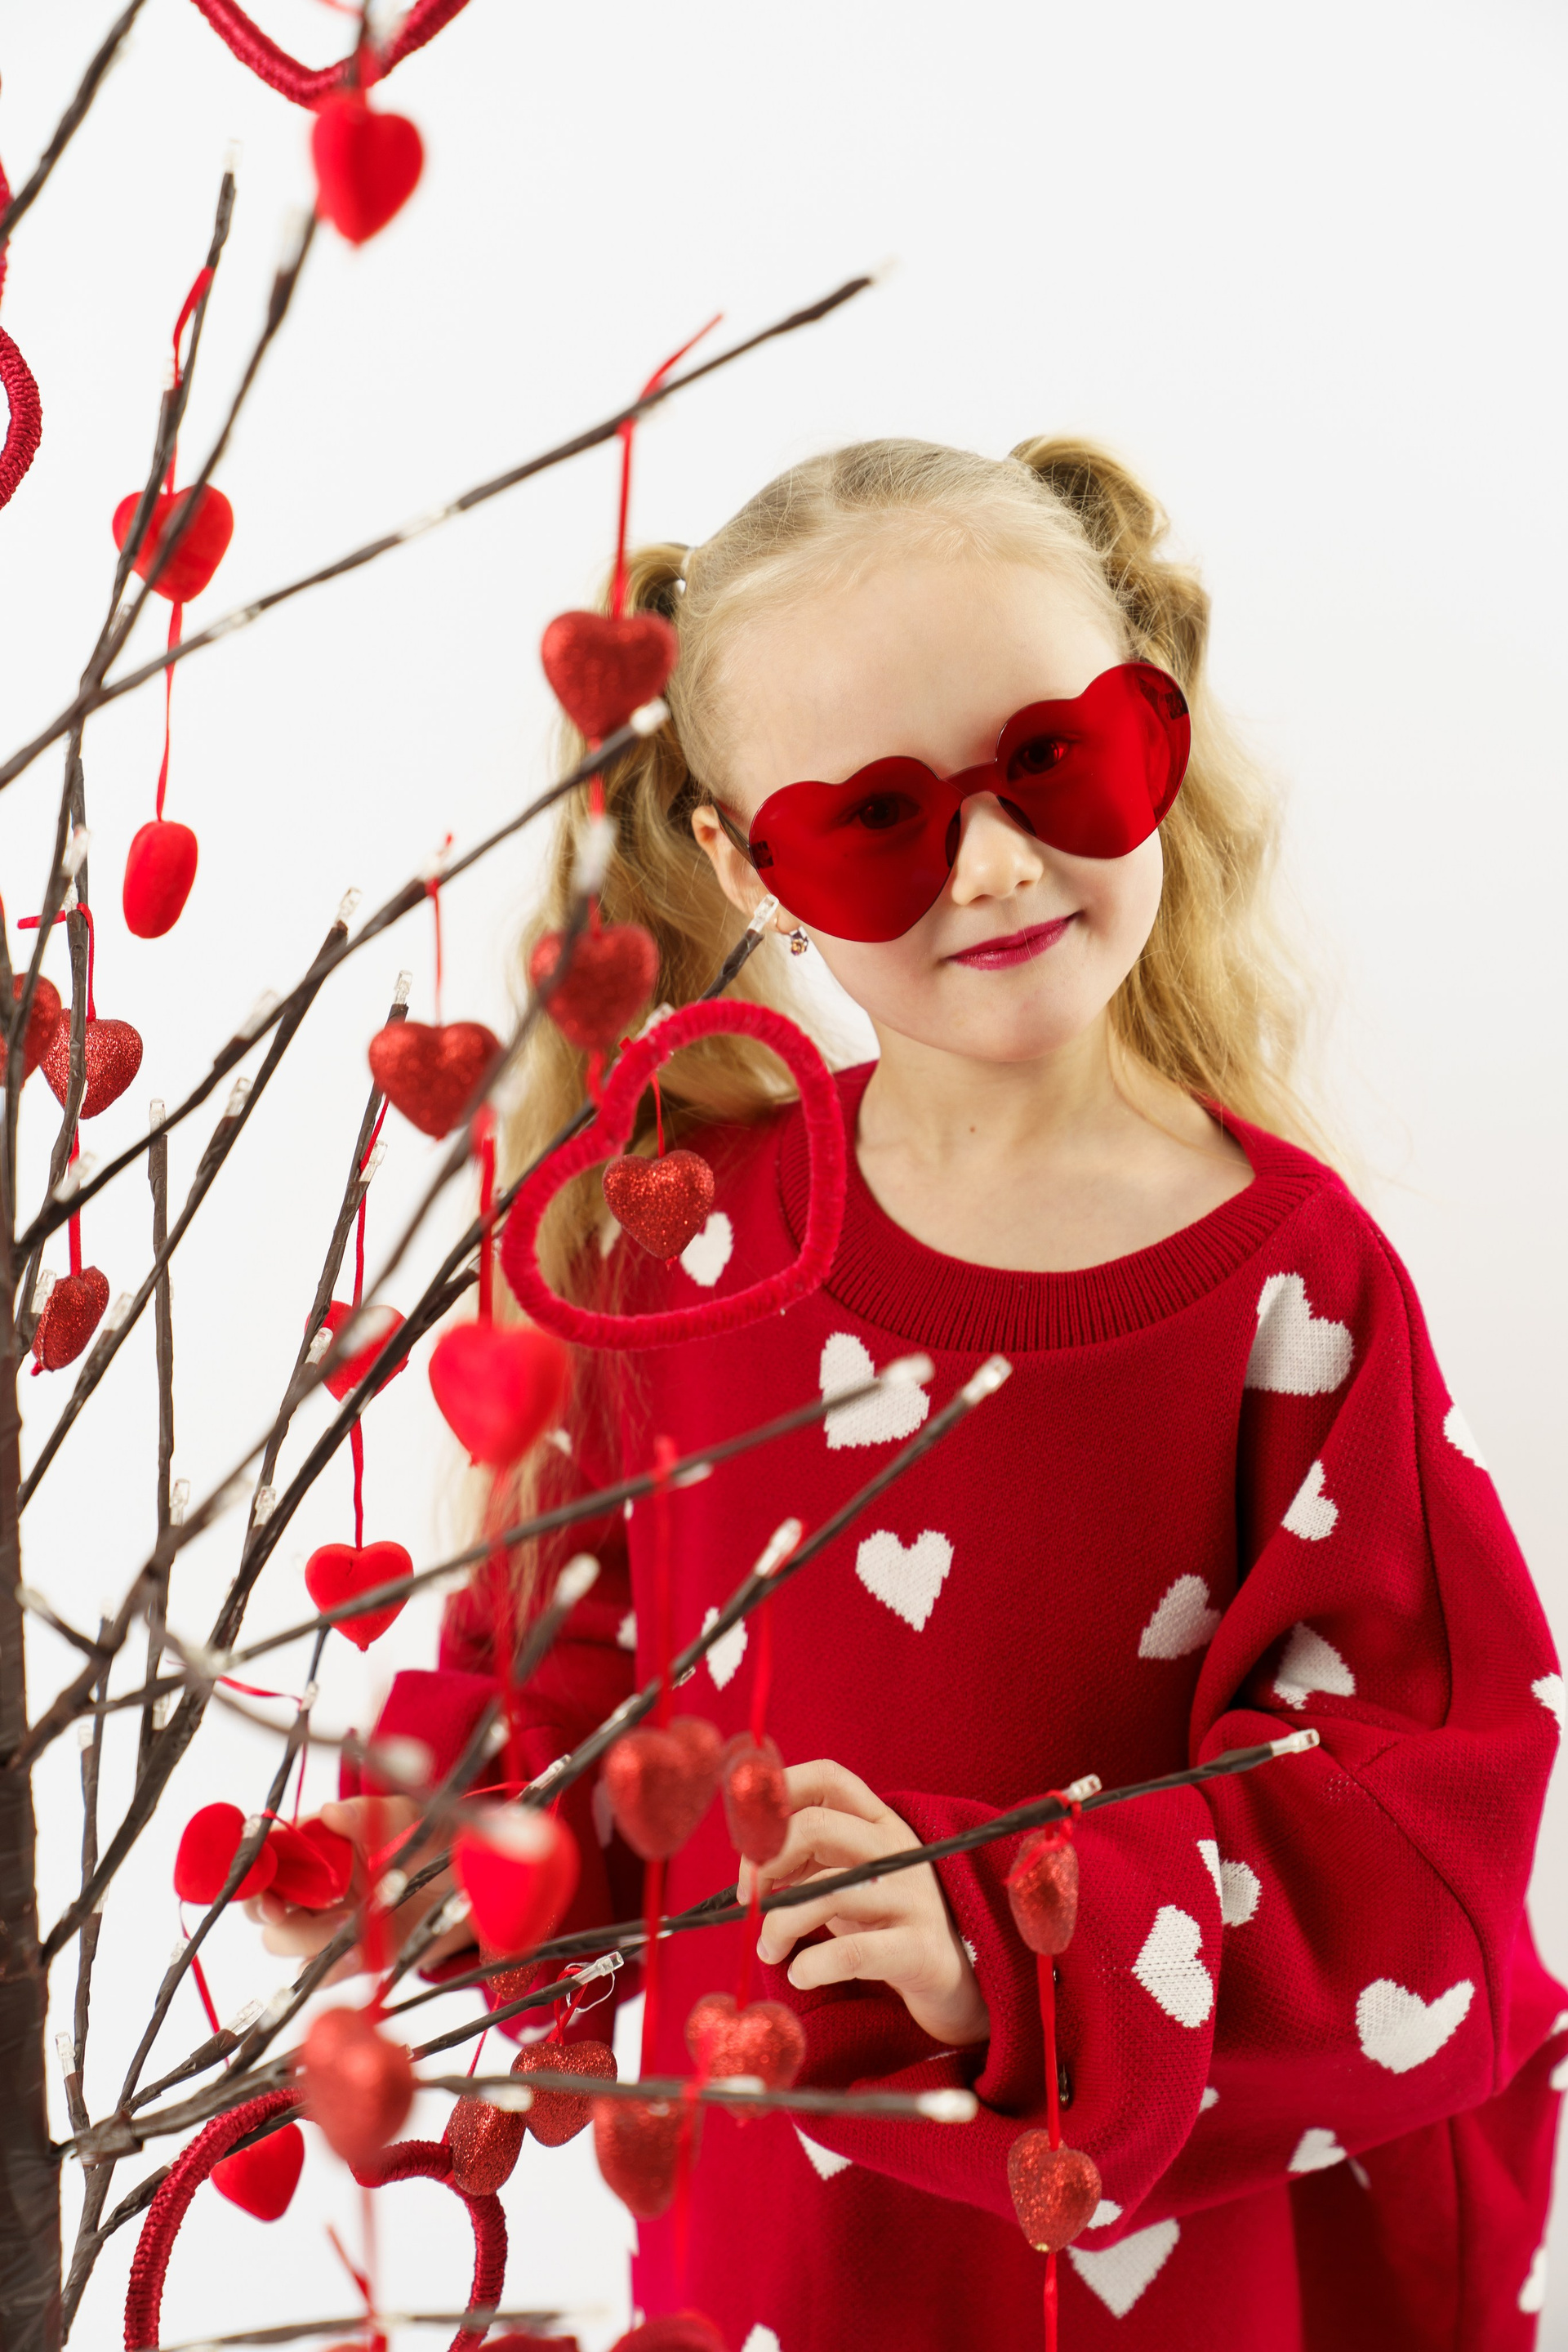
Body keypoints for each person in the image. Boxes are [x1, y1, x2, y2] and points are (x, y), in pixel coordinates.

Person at [253, 439, 1565, 2349]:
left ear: (1153, 726)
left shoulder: (1293, 1285)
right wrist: (430, 1852)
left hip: (1154, 2286)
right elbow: (591, 1668)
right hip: (779, 2264)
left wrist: (1014, 1930)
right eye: (878, 822)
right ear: (745, 869)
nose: (998, 863)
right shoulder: (690, 1252)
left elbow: (1412, 1823)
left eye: (1054, 762)